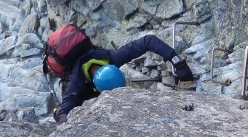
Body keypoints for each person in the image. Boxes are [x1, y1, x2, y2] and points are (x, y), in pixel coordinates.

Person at [48, 33, 194, 124]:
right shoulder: (75, 85)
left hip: (93, 61)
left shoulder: (113, 58)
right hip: (75, 78)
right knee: (62, 108)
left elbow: (148, 40)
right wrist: (61, 115)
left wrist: (178, 62)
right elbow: (64, 117)